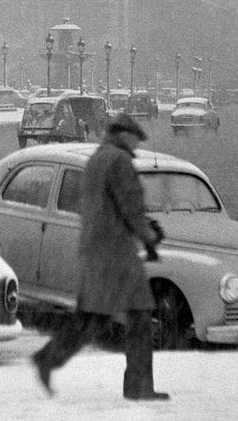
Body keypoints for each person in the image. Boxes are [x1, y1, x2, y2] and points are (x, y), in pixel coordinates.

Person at [32, 110, 168, 401]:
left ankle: (49, 357)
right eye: (135, 139)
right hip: (118, 253)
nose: (137, 146)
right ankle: (139, 386)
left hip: (95, 249)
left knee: (92, 317)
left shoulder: (96, 158)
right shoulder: (119, 162)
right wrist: (149, 236)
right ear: (124, 135)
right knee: (140, 317)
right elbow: (130, 207)